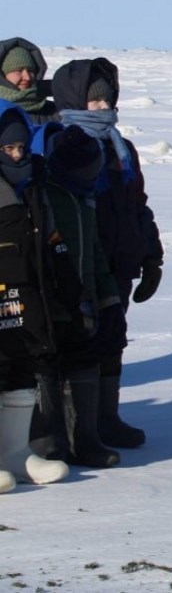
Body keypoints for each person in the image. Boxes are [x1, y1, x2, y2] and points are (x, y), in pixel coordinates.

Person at [51, 57, 162, 448]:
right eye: (95, 101)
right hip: (77, 263)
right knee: (80, 340)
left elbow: (137, 204)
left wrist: (151, 255)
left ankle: (107, 416)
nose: (104, 108)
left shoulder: (121, 148)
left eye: (108, 100)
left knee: (113, 335)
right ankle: (76, 426)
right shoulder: (60, 143)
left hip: (120, 259)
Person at [29, 123, 122, 469]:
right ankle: (49, 441)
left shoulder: (86, 199)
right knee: (49, 367)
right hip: (52, 300)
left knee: (85, 359)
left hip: (85, 298)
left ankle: (86, 438)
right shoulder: (46, 194)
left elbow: (95, 251)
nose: (91, 178)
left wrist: (108, 298)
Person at [0, 103, 79, 491]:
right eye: (7, 149)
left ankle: (14, 451)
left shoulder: (34, 184)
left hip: (29, 293)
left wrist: (66, 280)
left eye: (20, 147)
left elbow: (50, 237)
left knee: (23, 365)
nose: (16, 155)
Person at [0, 38, 58, 124]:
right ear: (3, 75)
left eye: (30, 71)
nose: (27, 77)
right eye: (18, 71)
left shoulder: (54, 111)